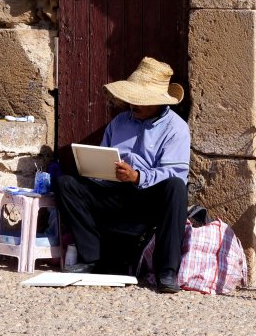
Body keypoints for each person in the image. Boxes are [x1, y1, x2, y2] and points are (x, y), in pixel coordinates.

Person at [55, 57, 190, 294]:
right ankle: (90, 259)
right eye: (131, 99)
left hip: (148, 196)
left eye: (139, 101)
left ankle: (167, 271)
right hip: (114, 191)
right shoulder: (119, 122)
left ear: (158, 102)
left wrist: (137, 177)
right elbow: (107, 154)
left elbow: (174, 171)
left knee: (176, 187)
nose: (132, 105)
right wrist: (93, 168)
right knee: (66, 183)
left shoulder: (176, 128)